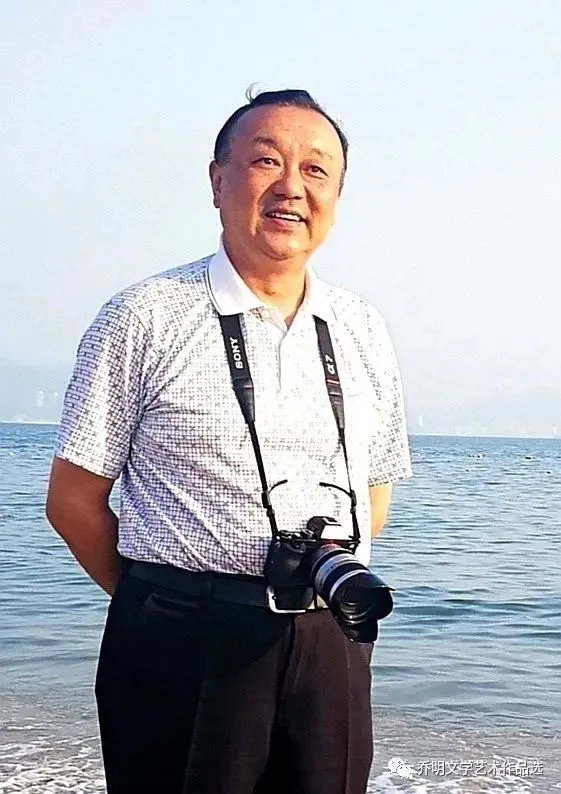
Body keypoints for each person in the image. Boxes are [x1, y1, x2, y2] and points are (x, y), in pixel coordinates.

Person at [46, 87, 412, 794]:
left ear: (337, 196)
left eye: (316, 170)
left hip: (330, 637)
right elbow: (73, 500)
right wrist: (168, 602)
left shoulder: (361, 328)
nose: (292, 187)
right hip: (180, 643)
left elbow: (375, 491)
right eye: (266, 161)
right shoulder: (144, 316)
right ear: (217, 182)